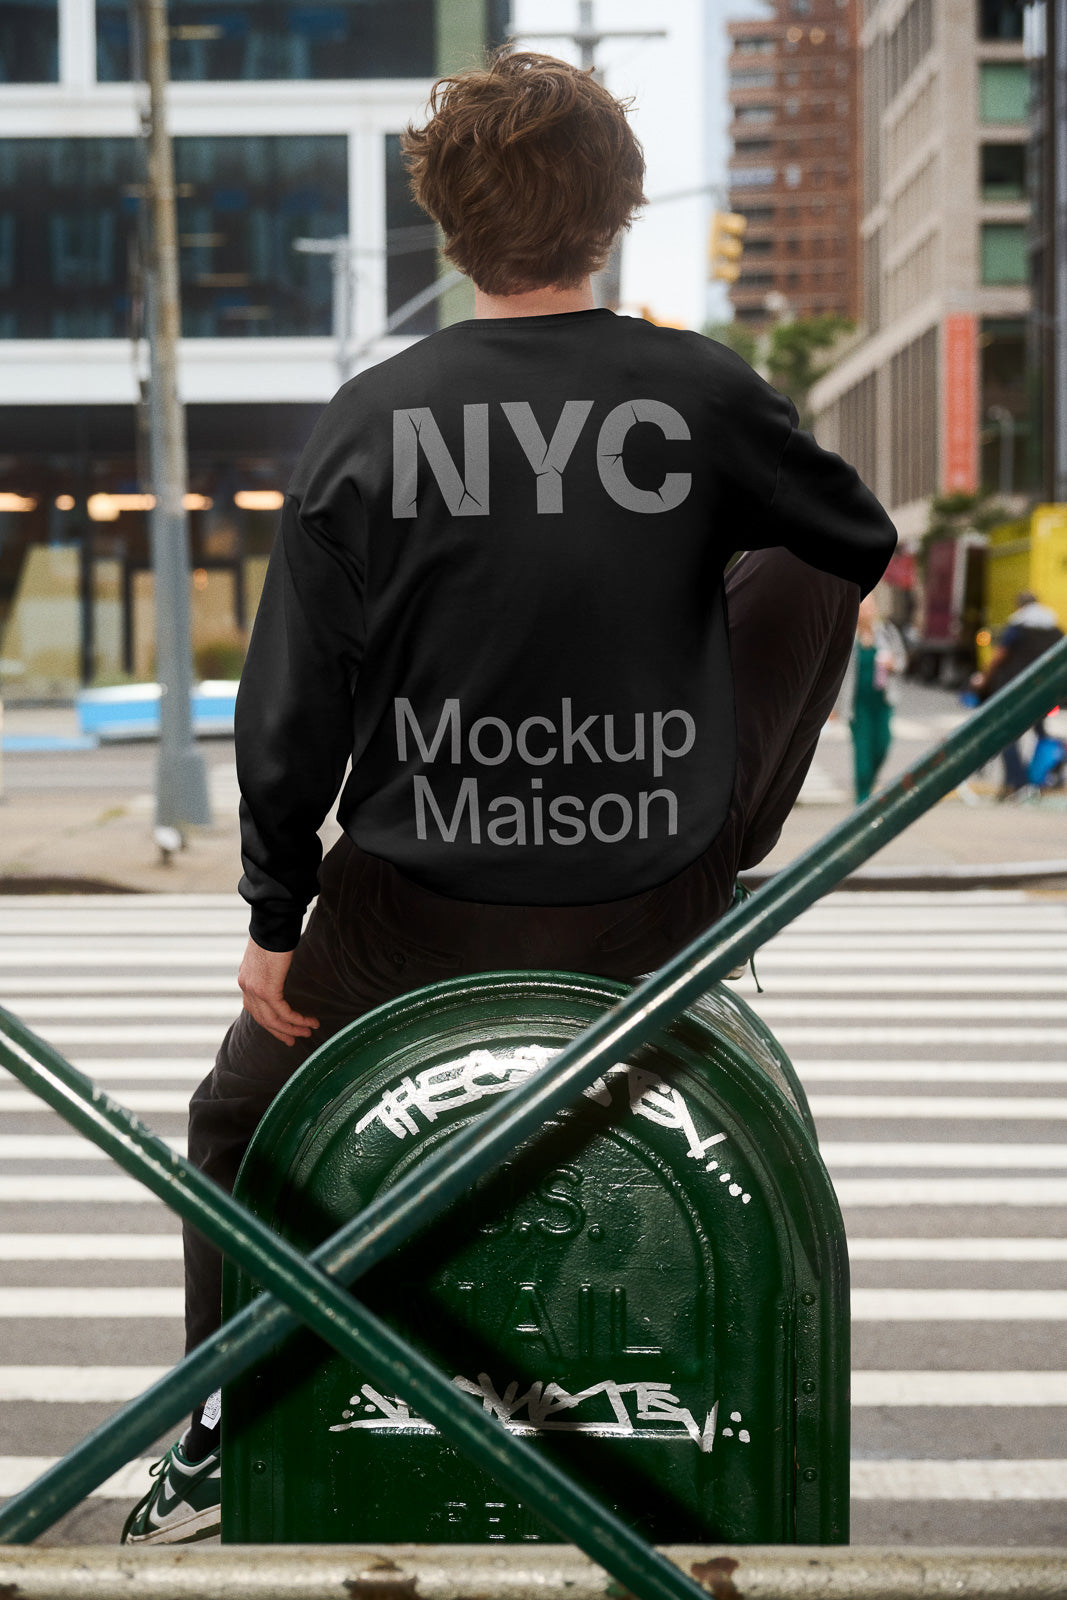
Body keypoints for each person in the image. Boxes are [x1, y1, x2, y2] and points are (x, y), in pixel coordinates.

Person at [121, 49, 896, 1545]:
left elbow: (288, 706)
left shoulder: (369, 415)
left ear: (445, 225)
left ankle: (216, 1427)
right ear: (610, 218)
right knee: (804, 550)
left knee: (231, 1124)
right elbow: (847, 540)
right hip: (645, 896)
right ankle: (727, 857)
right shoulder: (696, 392)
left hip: (412, 916)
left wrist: (276, 919)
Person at [972, 591, 1064, 796]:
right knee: (1041, 733)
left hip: (1019, 691)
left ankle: (1016, 783)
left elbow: (1000, 656)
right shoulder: (1054, 628)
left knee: (1008, 735)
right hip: (1046, 692)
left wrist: (984, 679)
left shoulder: (1018, 627)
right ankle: (1046, 777)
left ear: (1020, 606)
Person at [837, 592, 907, 803]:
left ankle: (868, 787)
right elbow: (837, 673)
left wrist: (892, 664)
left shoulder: (886, 633)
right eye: (862, 608)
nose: (866, 612)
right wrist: (833, 706)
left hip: (882, 701)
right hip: (858, 704)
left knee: (883, 745)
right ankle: (862, 799)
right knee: (863, 755)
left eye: (869, 607)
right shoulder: (848, 636)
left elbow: (902, 661)